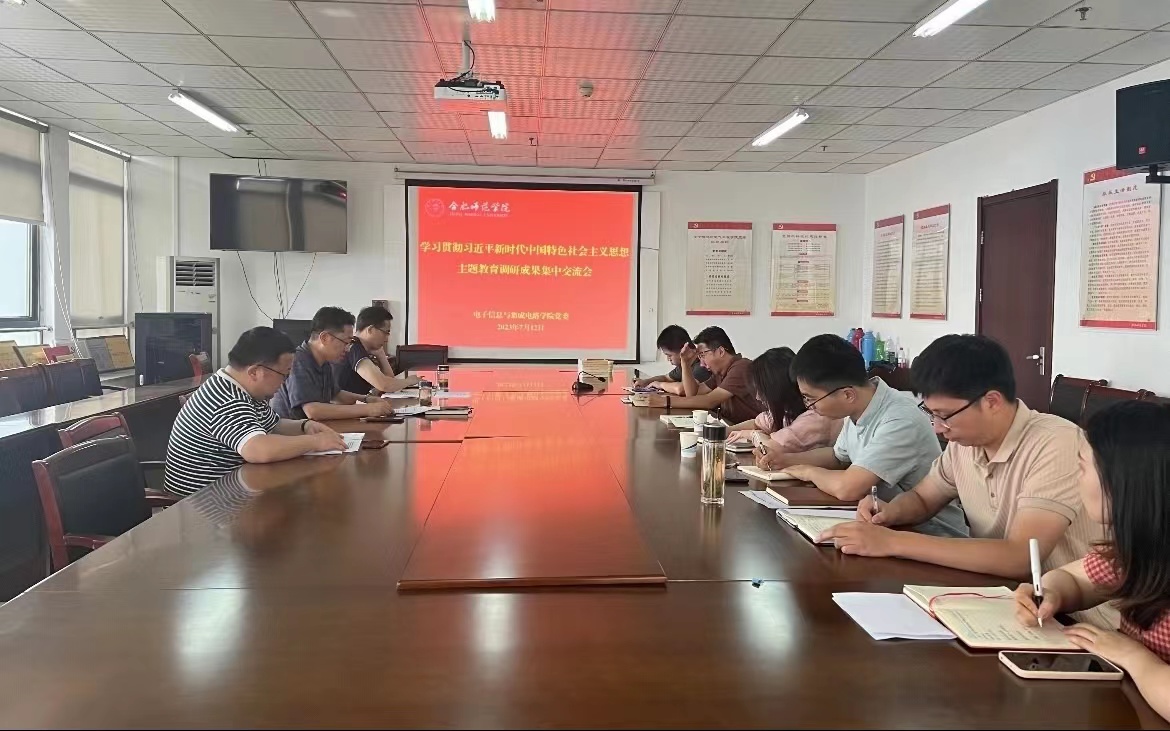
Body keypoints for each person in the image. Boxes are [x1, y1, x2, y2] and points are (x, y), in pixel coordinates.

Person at [819, 334, 1100, 576]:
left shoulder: (1056, 443)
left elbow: (1022, 557)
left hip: (1070, 612)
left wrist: (892, 542)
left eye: (944, 416)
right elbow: (923, 499)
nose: (938, 429)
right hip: (1002, 594)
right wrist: (889, 512)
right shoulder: (965, 442)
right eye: (932, 414)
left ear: (991, 402)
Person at [1013, 401, 1170, 720]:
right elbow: (1076, 579)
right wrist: (1052, 593)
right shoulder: (1143, 547)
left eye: (1083, 467)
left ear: (1122, 483)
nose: (1078, 478)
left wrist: (1134, 657)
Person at [772, 333, 967, 537]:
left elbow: (848, 488)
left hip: (930, 533)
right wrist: (785, 460)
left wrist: (807, 472)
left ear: (847, 394)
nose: (809, 406)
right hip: (888, 524)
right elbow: (838, 457)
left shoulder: (900, 419)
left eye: (810, 399)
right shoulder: (858, 409)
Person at [164, 326, 347, 497]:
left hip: (229, 491)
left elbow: (274, 424)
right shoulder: (226, 398)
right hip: (204, 504)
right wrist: (315, 442)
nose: (285, 381)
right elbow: (259, 450)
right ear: (254, 372)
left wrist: (305, 426)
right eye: (283, 374)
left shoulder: (242, 389)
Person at [270, 306, 395, 421]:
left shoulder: (324, 361)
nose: (347, 349)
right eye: (346, 342)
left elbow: (336, 394)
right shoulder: (299, 361)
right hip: (294, 434)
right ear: (325, 338)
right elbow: (313, 411)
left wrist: (367, 399)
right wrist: (367, 409)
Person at [726, 346, 843, 454]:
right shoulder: (789, 409)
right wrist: (728, 430)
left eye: (762, 391)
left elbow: (773, 448)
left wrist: (753, 435)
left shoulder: (815, 416)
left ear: (778, 388)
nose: (758, 397)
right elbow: (759, 423)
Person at [648, 326, 765, 425]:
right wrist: (685, 363)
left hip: (753, 433)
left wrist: (665, 401)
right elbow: (692, 394)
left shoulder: (741, 367)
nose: (702, 364)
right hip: (731, 428)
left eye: (703, 355)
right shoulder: (720, 372)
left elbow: (709, 401)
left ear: (720, 351)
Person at [334, 305, 420, 396]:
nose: (386, 339)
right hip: (348, 404)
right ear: (370, 330)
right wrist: (409, 381)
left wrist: (381, 355)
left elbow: (390, 382)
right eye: (386, 333)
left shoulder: (362, 348)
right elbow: (385, 385)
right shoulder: (354, 347)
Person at [633, 325, 711, 395]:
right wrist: (645, 382)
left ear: (683, 350)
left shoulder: (702, 365)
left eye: (669, 355)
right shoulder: (684, 364)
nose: (668, 359)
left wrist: (660, 385)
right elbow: (666, 378)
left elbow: (683, 389)